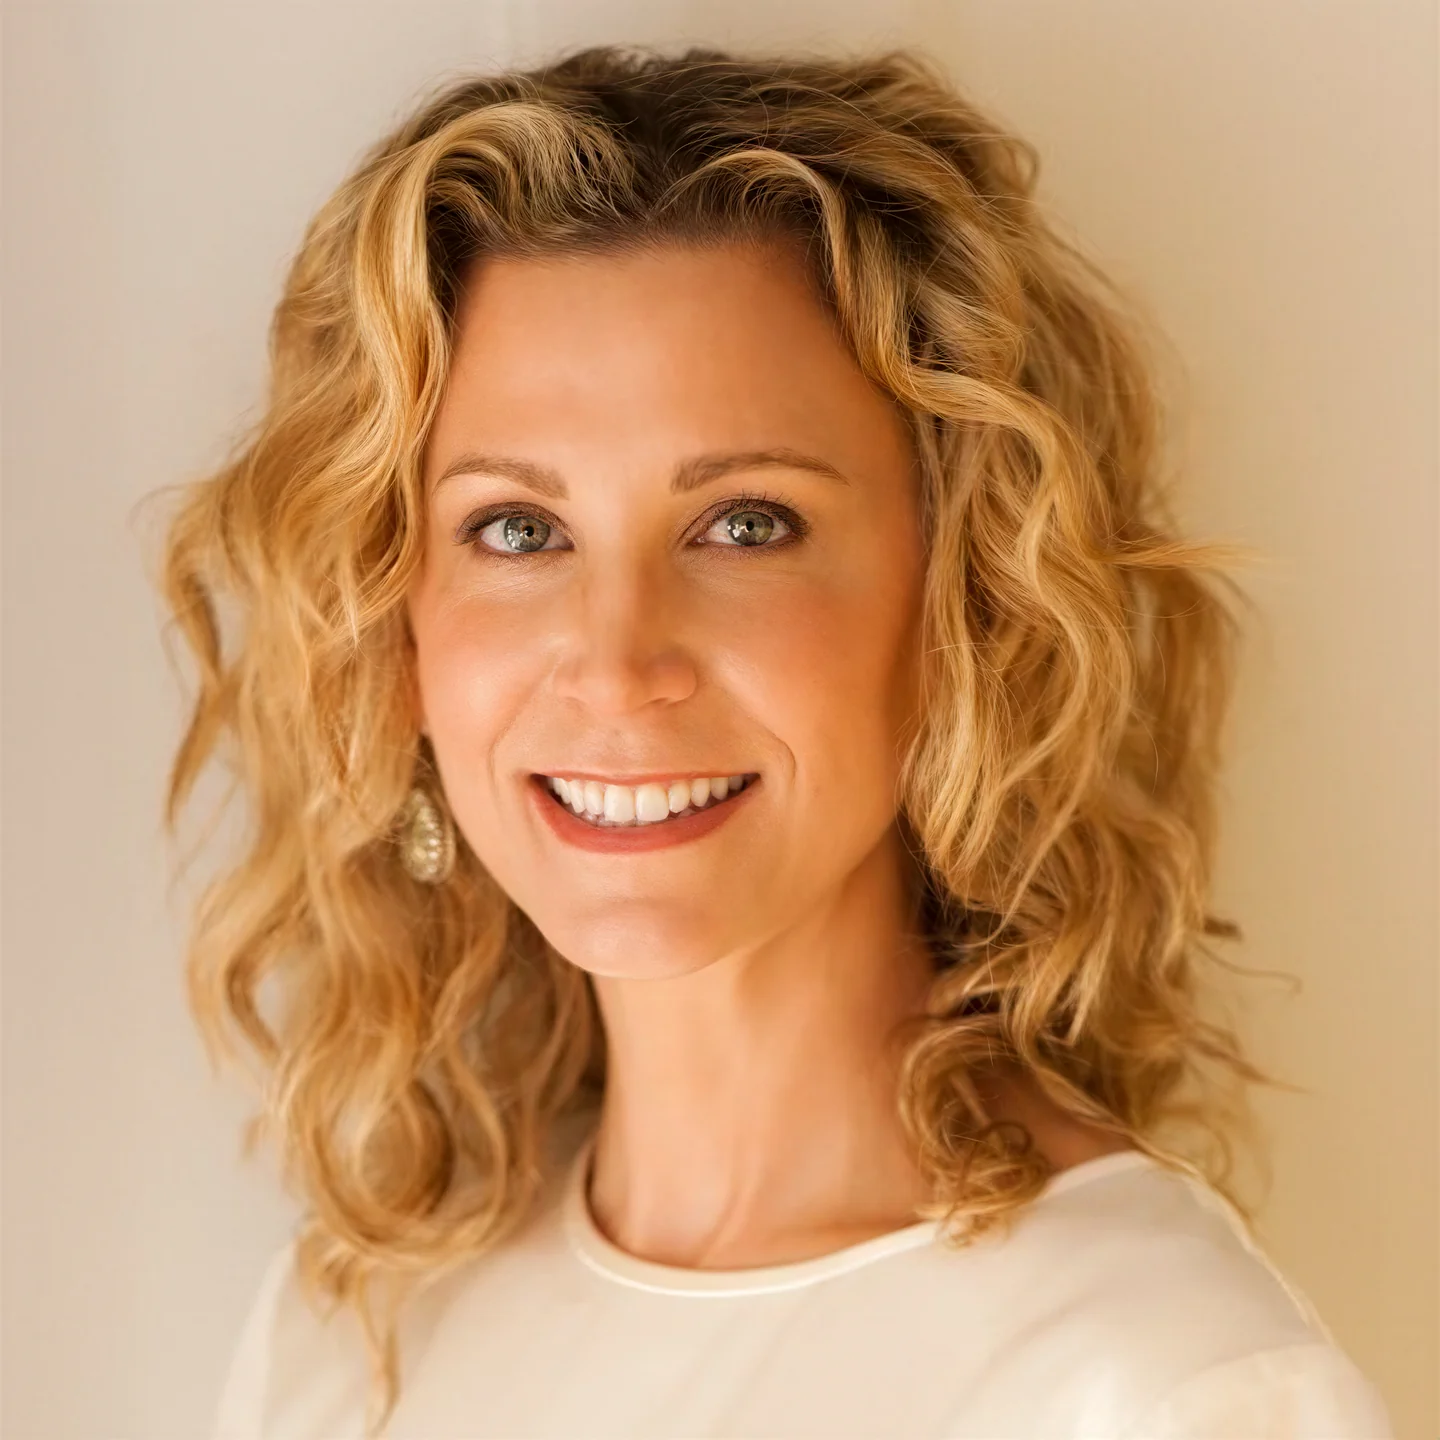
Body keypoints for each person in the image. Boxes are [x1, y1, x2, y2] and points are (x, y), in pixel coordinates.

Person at [160, 43, 1394, 1440]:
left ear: (966, 602)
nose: (620, 667)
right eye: (518, 529)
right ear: (401, 642)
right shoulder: (358, 1332)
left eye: (746, 524)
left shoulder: (1161, 1389)